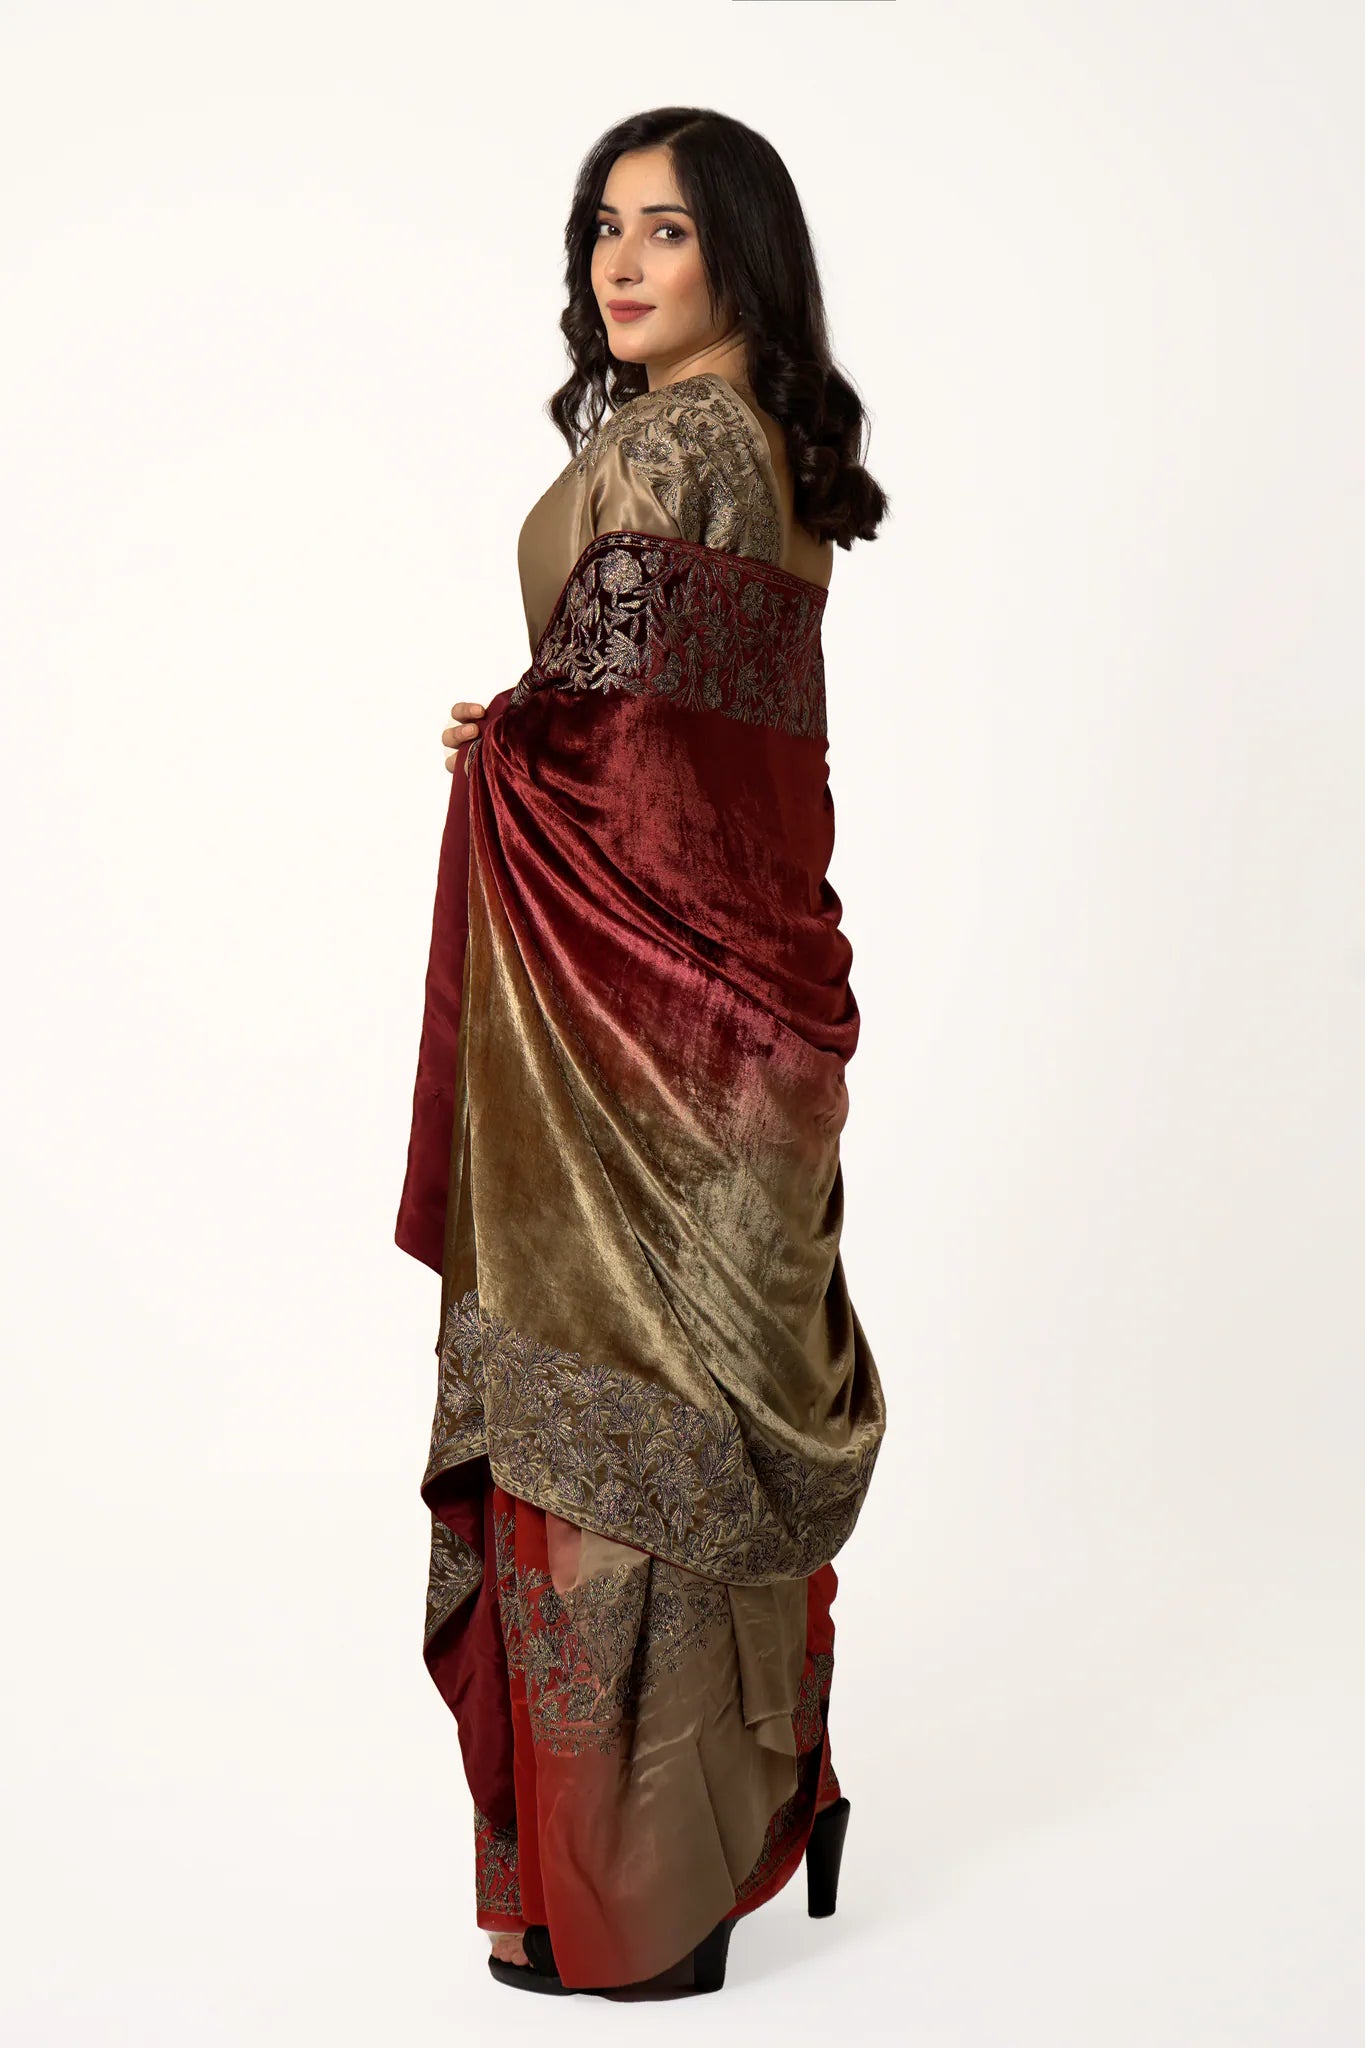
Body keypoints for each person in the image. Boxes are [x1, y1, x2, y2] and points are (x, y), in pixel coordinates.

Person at [395, 105, 891, 1999]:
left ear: (738, 253)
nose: (617, 261)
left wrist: (520, 747)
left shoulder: (674, 438)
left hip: (644, 1040)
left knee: (617, 1442)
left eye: (663, 229)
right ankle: (752, 1809)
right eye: (602, 226)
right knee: (699, 1434)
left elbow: (619, 751)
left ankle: (643, 1908)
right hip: (740, 1021)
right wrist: (534, 727)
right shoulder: (761, 443)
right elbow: (668, 736)